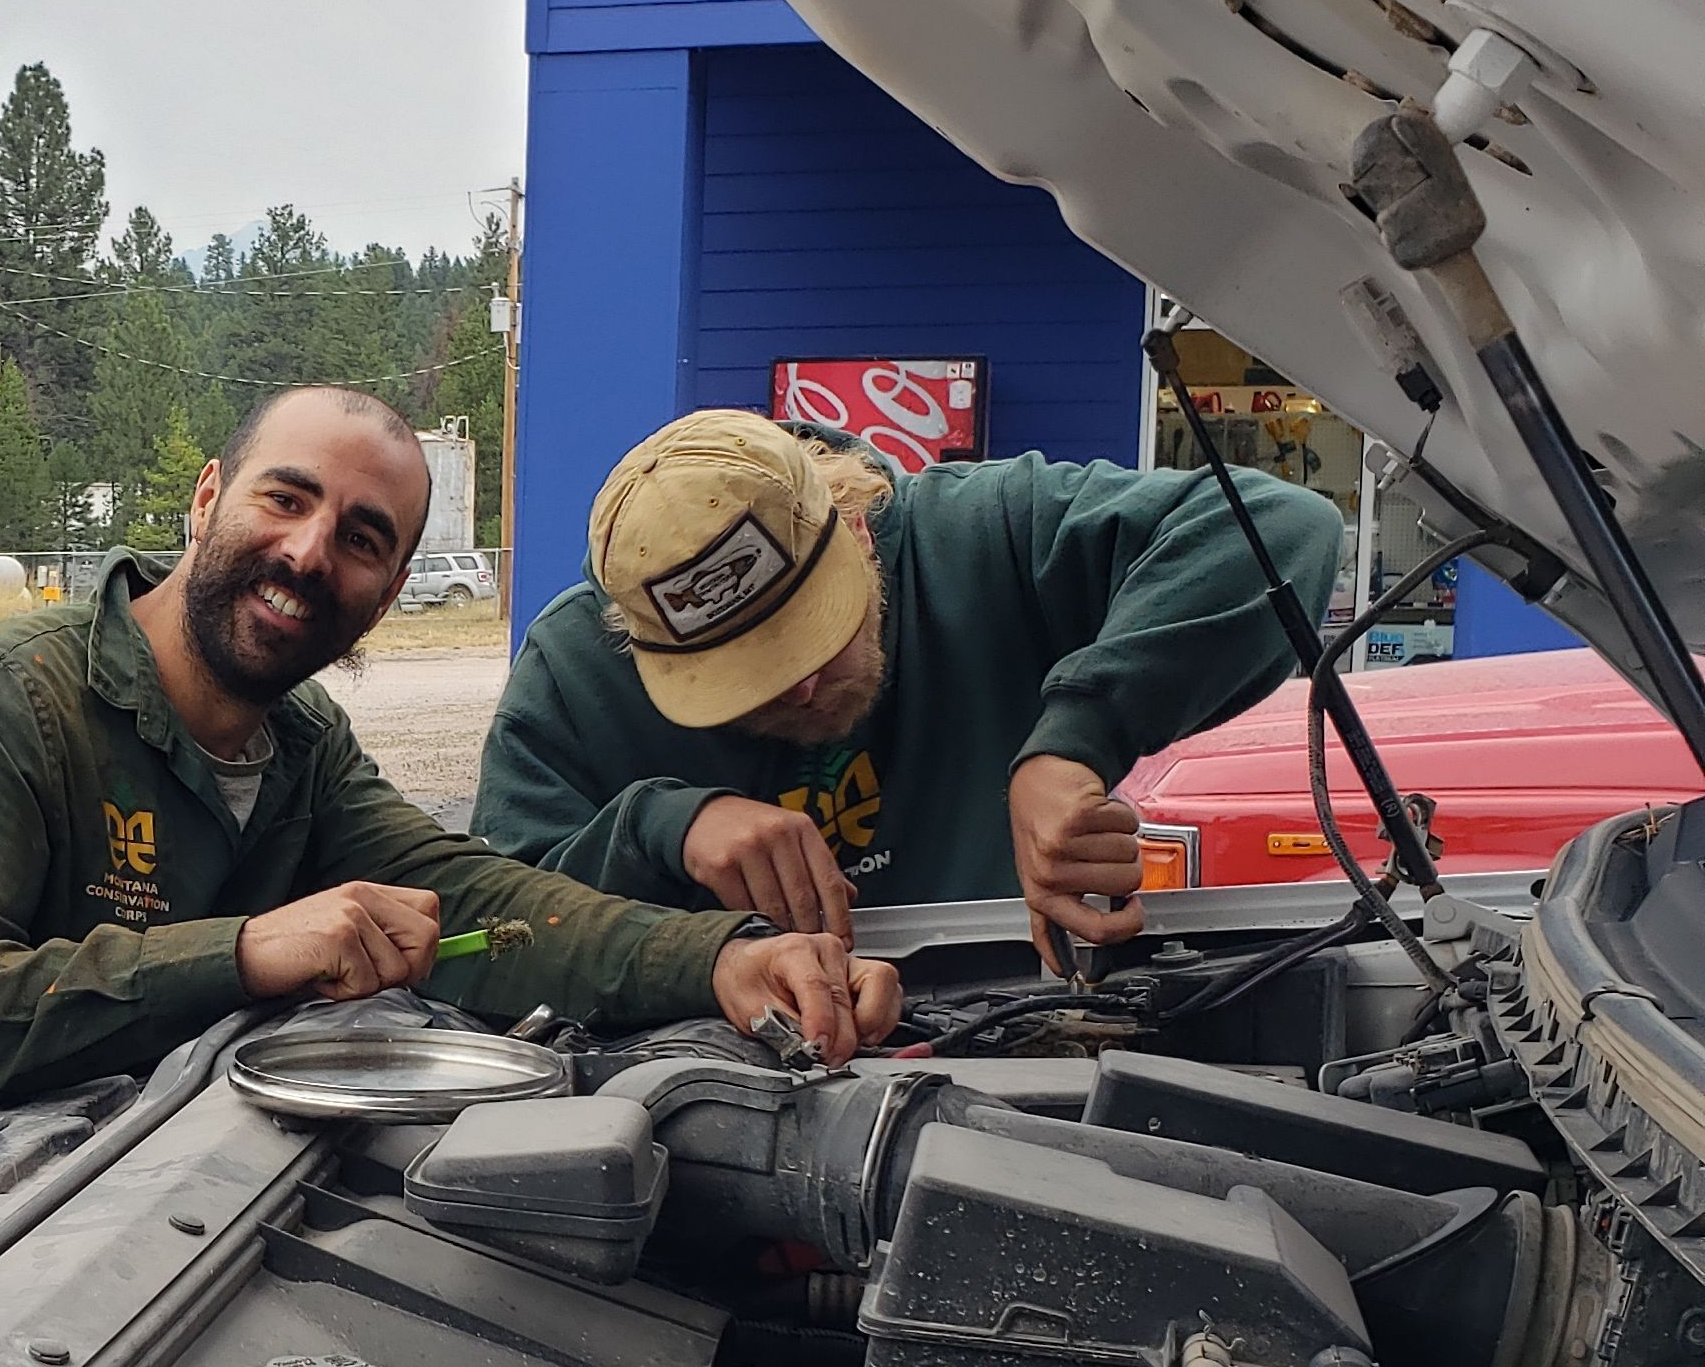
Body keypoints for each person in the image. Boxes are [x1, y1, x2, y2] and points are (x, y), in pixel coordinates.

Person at [0, 383, 897, 1181]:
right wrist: (244, 952)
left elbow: (487, 905)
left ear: (389, 590)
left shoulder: (301, 747)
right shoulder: (1, 702)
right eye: (286, 499)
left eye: (363, 538)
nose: (312, 552)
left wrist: (729, 962)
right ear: (208, 495)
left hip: (138, 1211)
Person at [477, 411, 1344, 965]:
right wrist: (663, 830)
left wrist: (1076, 741)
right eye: (752, 676)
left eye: (818, 628)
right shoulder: (571, 669)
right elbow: (487, 931)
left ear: (855, 524)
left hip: (1025, 1036)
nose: (809, 685)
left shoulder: (977, 531)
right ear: (641, 648)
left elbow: (1279, 527)